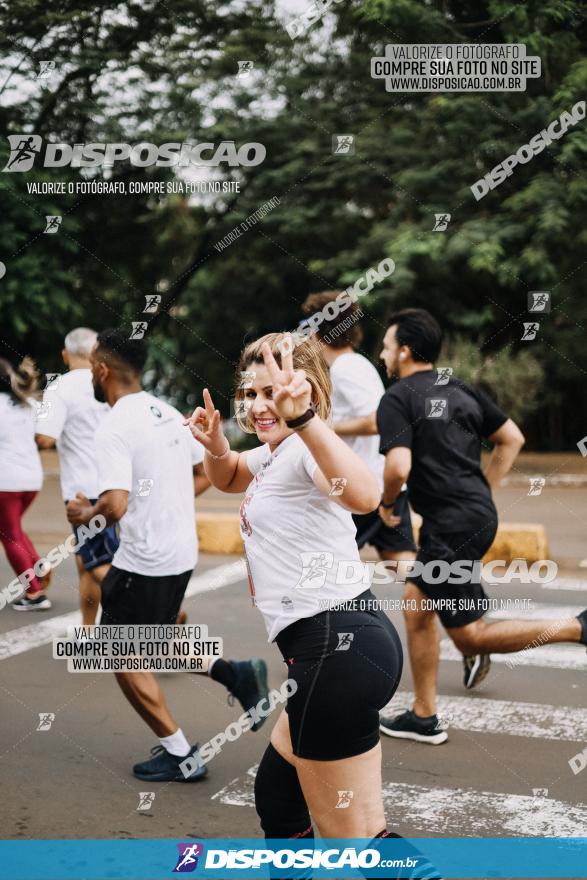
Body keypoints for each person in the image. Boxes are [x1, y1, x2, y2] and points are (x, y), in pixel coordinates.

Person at [186, 333, 404, 842]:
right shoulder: (277, 453)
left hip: (336, 654)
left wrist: (305, 418)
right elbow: (229, 474)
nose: (261, 405)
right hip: (341, 647)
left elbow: (367, 494)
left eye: (273, 392)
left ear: (307, 390)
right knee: (279, 799)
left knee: (360, 840)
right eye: (253, 393)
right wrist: (217, 444)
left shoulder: (308, 447)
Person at [375, 308, 587, 744]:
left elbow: (398, 465)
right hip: (470, 517)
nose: (382, 354)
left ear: (406, 350)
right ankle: (424, 714)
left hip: (451, 525)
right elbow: (512, 437)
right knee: (417, 601)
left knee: (471, 638)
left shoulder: (397, 398)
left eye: (386, 345)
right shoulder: (459, 389)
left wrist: (386, 503)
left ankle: (579, 627)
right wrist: (485, 489)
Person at [66, 327, 269, 782]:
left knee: (120, 654)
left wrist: (85, 512)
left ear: (102, 369)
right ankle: (234, 673)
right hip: (180, 552)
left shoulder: (114, 425)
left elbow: (115, 505)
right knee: (150, 638)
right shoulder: (167, 411)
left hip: (146, 559)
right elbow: (202, 478)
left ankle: (181, 754)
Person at [301, 291, 416, 569]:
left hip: (362, 483)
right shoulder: (351, 365)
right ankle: (439, 605)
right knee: (399, 562)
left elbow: (377, 420)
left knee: (324, 557)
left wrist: (322, 428)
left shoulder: (346, 368)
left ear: (317, 331)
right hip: (377, 480)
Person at [35, 328, 120, 624]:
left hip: (85, 492)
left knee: (98, 563)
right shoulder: (111, 379)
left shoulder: (61, 387)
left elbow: (45, 438)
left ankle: (164, 616)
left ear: (65, 354)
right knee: (86, 562)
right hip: (120, 484)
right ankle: (87, 631)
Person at [0, 357, 51, 610]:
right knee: (14, 529)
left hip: (6, 481)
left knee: (8, 535)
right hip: (32, 478)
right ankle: (39, 568)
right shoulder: (29, 404)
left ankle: (34, 593)